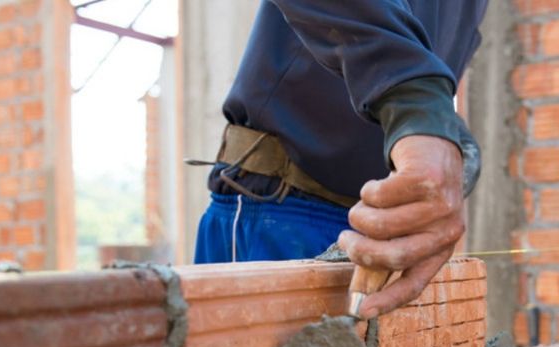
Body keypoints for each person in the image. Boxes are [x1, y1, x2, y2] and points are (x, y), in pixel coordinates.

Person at [191, 1, 488, 319]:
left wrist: (447, 135)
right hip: (283, 209)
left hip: (373, 233)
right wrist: (417, 107)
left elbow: (420, 51)